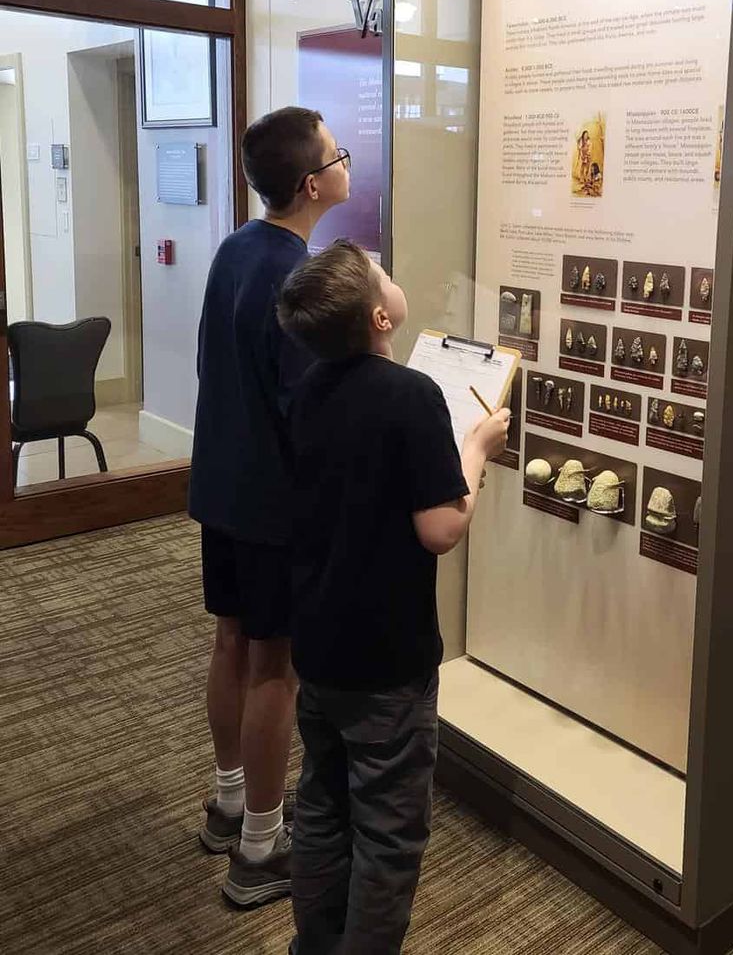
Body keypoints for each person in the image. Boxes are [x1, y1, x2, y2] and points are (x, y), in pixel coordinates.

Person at [276, 241, 509, 954]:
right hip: (386, 660)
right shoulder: (412, 396)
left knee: (321, 803)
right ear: (381, 316)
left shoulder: (307, 389)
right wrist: (478, 449)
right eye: (383, 276)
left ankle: (316, 944)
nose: (391, 277)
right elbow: (441, 528)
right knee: (388, 831)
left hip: (319, 643)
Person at [189, 106, 351, 907]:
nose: (345, 162)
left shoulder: (235, 248)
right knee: (274, 669)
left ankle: (228, 802)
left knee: (229, 642)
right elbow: (306, 411)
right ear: (312, 184)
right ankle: (260, 845)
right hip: (270, 508)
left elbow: (213, 366)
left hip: (221, 489)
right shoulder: (297, 276)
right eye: (337, 154)